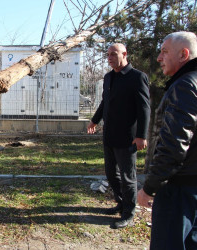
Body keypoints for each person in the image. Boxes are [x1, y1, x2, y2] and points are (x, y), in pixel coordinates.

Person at [137, 31, 197, 249]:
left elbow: (174, 144)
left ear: (184, 54)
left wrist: (149, 188)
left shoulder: (185, 86)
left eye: (164, 52)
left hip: (178, 190)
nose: (159, 58)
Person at [87, 43, 150, 229]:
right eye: (108, 55)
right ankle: (121, 203)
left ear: (124, 54)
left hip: (128, 138)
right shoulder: (108, 77)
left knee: (127, 176)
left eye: (114, 54)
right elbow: (104, 102)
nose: (110, 57)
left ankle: (129, 213)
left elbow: (144, 108)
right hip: (110, 135)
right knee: (111, 174)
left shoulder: (137, 77)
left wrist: (141, 135)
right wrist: (94, 120)